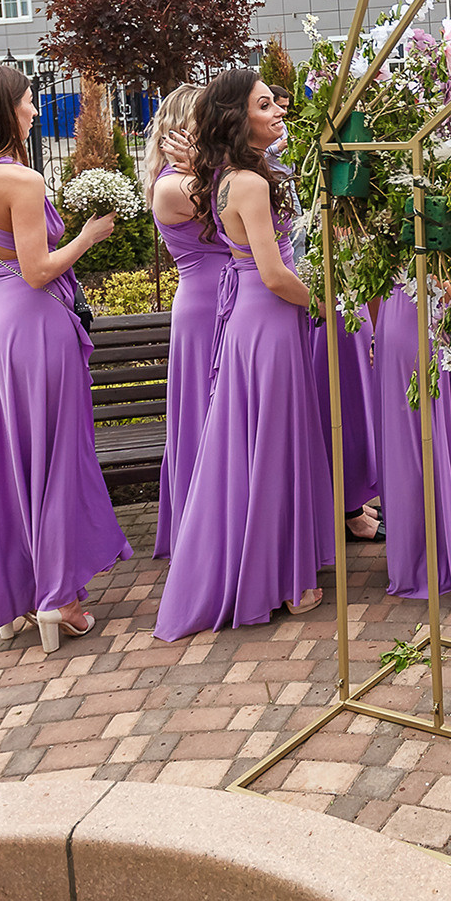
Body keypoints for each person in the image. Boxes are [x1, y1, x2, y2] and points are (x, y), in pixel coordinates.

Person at [0, 63, 132, 651]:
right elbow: (38, 270)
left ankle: (23, 593)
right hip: (36, 324)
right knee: (55, 458)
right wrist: (88, 236)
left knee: (15, 462)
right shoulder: (19, 181)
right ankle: (59, 598)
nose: (33, 110)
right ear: (3, 110)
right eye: (27, 101)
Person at [154, 71, 337, 640]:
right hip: (267, 318)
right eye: (265, 105)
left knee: (260, 443)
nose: (278, 110)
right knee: (274, 445)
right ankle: (279, 579)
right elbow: (275, 274)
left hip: (249, 320)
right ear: (239, 118)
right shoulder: (249, 184)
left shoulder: (230, 177)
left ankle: (275, 566)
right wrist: (330, 306)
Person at [372, 278, 451, 611]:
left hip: (392, 319)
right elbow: (436, 277)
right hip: (420, 324)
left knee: (405, 446)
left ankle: (430, 542)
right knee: (425, 442)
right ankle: (432, 552)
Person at [142, 84, 227, 562]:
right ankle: (207, 535)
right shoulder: (175, 185)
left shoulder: (203, 175)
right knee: (209, 414)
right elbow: (234, 214)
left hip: (228, 299)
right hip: (205, 308)